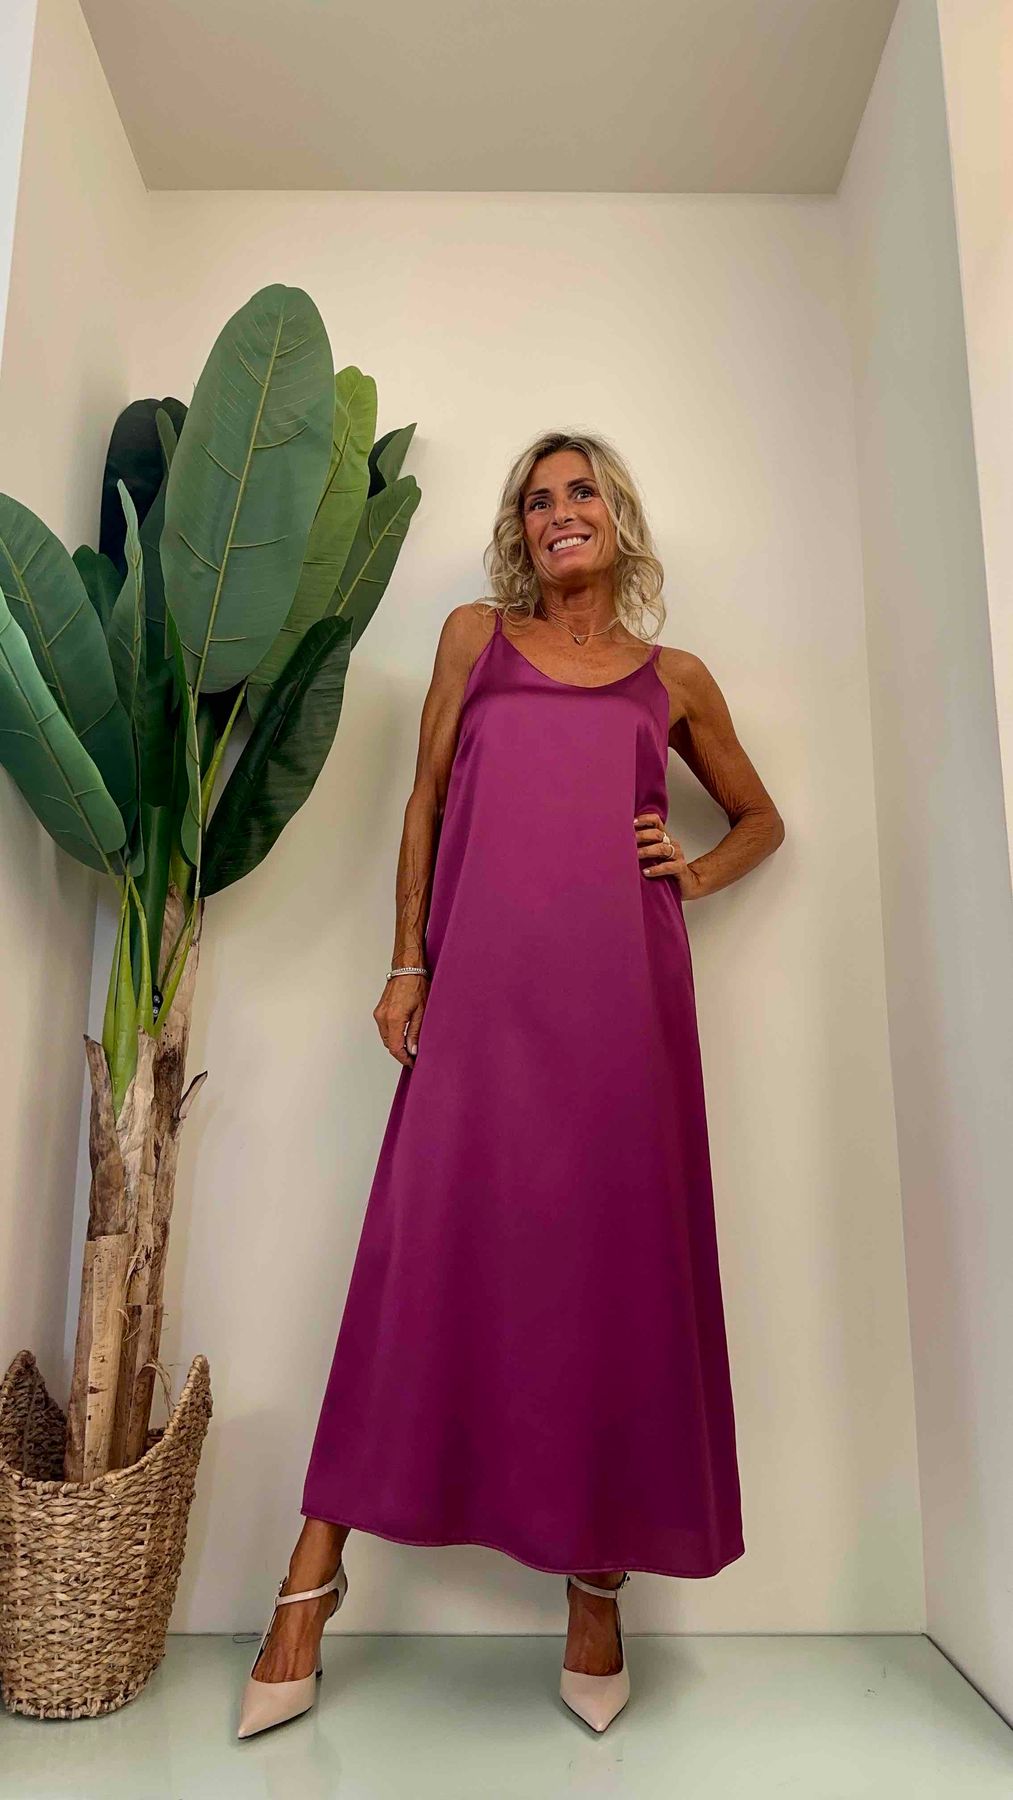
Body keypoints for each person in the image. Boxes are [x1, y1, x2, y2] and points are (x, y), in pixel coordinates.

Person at [237, 429, 785, 1739]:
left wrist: (694, 871)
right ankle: (309, 1583)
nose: (558, 512)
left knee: (611, 1274)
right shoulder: (472, 640)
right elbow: (424, 802)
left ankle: (594, 1588)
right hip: (480, 1000)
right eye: (537, 500)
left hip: (624, 1012)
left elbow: (760, 817)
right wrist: (405, 963)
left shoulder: (676, 678)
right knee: (416, 1255)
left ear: (617, 517)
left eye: (580, 491)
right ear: (519, 531)